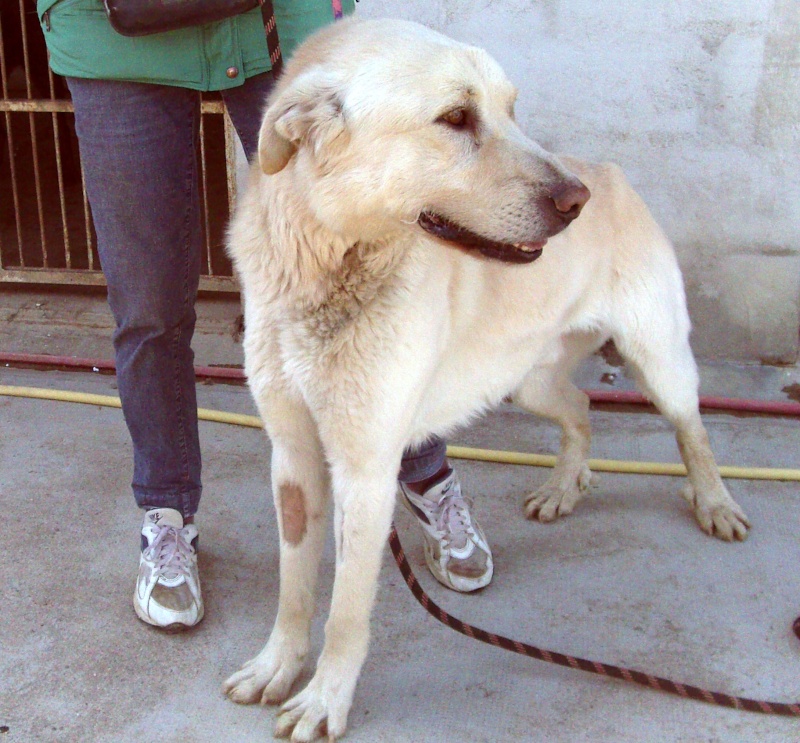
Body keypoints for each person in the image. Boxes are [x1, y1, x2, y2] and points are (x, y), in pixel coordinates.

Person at [37, 0, 493, 631]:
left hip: (277, 27)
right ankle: (166, 513)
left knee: (364, 277)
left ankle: (422, 471)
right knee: (150, 305)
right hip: (115, 41)